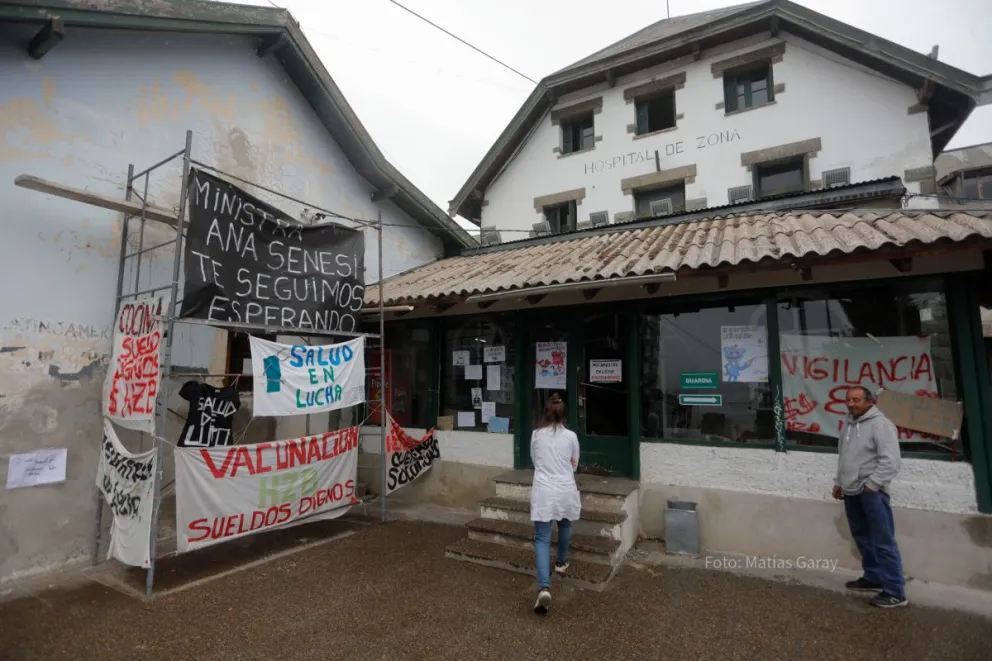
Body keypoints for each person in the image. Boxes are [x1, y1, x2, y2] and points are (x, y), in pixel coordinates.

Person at [832, 385, 907, 608]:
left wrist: (872, 485)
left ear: (869, 401)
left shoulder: (881, 425)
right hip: (851, 490)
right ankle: (873, 577)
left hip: (872, 493)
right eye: (848, 399)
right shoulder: (848, 424)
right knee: (862, 536)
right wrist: (839, 482)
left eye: (856, 400)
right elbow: (844, 457)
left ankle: (895, 591)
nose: (851, 404)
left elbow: (891, 461)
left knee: (883, 540)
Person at [530, 392, 580, 615]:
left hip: (543, 489)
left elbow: (534, 461)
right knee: (565, 524)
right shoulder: (571, 437)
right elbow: (574, 464)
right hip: (565, 488)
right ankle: (561, 562)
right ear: (564, 415)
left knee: (542, 538)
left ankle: (544, 587)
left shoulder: (536, 435)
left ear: (546, 413)